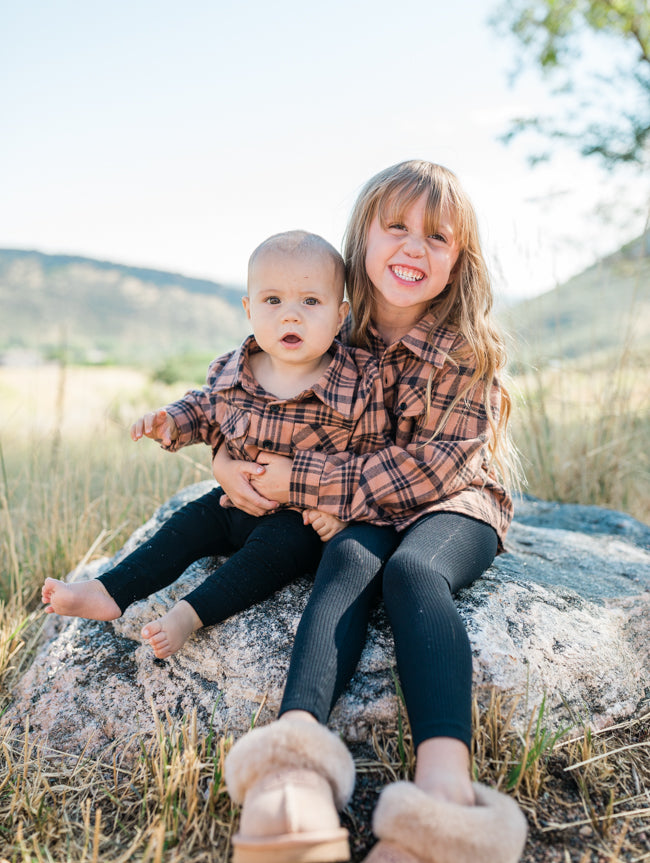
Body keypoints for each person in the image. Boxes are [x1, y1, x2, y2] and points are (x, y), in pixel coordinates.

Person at [217, 162, 528, 863]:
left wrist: (301, 481)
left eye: (437, 236)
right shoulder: (331, 328)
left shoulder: (463, 350)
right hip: (360, 509)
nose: (413, 248)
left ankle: (445, 793)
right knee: (350, 557)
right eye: (396, 227)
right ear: (361, 237)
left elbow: (426, 472)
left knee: (413, 574)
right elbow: (259, 403)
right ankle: (294, 760)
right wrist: (222, 459)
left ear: (459, 260)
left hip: (454, 503)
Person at [41, 230, 395, 660]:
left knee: (274, 553)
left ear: (341, 317)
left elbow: (371, 453)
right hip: (234, 503)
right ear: (249, 309)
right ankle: (108, 591)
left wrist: (337, 513)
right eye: (272, 301)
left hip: (298, 521)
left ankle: (189, 614)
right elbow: (206, 409)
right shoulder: (233, 370)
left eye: (310, 302)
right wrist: (171, 422)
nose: (290, 317)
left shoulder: (358, 381)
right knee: (185, 525)